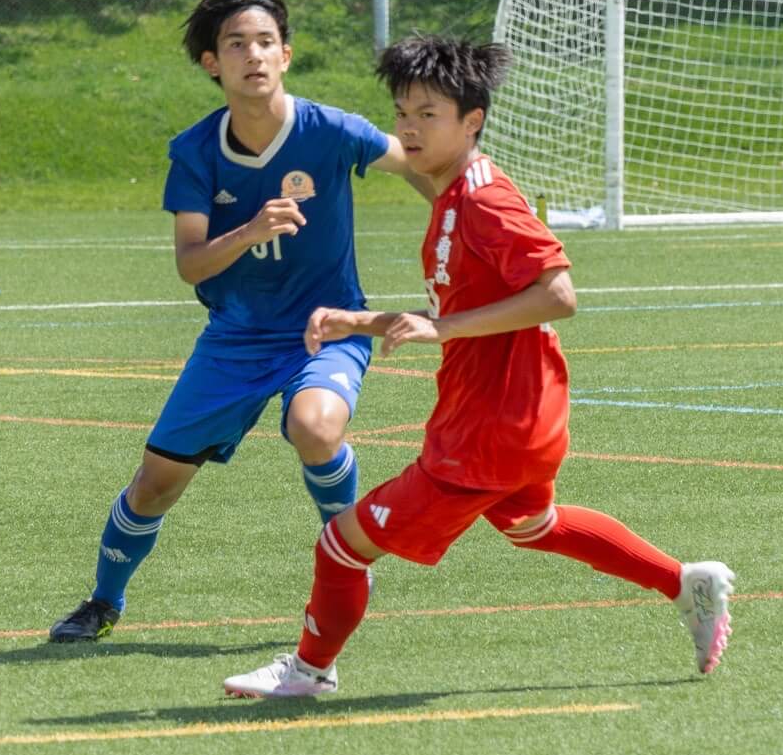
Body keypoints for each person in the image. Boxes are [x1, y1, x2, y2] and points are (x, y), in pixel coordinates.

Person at [222, 35, 734, 698]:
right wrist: (360, 321)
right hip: (514, 418)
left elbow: (558, 294)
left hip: (488, 431)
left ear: (473, 121)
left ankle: (310, 670)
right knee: (533, 525)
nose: (409, 127)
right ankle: (685, 582)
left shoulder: (486, 201)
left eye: (428, 114)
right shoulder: (453, 197)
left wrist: (441, 328)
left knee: (341, 545)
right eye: (402, 112)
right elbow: (461, 311)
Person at [47, 0, 432, 643]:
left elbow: (421, 166)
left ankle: (349, 560)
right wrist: (251, 230)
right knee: (154, 485)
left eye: (264, 42)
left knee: (314, 426)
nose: (252, 54)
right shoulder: (195, 152)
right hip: (236, 338)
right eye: (235, 44)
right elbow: (191, 264)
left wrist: (470, 216)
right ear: (212, 63)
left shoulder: (332, 130)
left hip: (329, 327)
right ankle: (103, 602)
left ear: (285, 55)